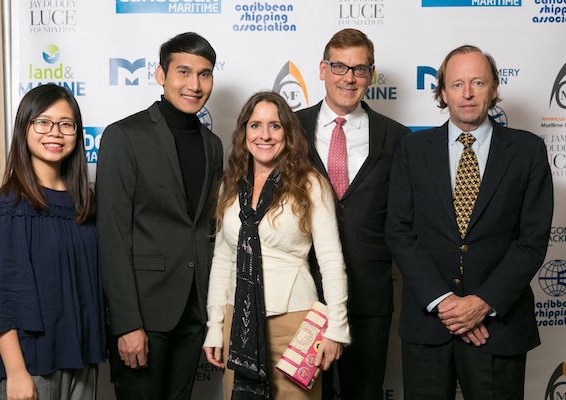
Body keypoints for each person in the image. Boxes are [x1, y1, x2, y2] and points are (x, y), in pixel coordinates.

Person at [385, 45, 553, 400]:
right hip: (428, 326)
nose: (468, 92)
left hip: (497, 327)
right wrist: (446, 303)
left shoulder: (527, 151)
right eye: (457, 84)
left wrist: (481, 303)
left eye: (478, 82)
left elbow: (532, 240)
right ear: (442, 93)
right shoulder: (412, 151)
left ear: (494, 88)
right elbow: (399, 232)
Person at [95, 32, 223, 400]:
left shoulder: (213, 146)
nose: (194, 85)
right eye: (184, 71)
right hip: (144, 316)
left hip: (193, 312)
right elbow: (113, 235)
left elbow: (206, 227)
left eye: (205, 74)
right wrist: (127, 325)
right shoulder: (124, 136)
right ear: (160, 75)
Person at [202, 91, 351, 400]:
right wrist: (215, 325)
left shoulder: (310, 183)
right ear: (244, 132)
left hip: (294, 322)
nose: (265, 135)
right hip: (238, 321)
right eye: (255, 125)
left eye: (275, 126)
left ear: (288, 133)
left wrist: (337, 328)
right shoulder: (230, 185)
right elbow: (223, 260)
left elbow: (331, 260)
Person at [0, 83, 105, 400]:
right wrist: (16, 372)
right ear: (24, 129)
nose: (54, 133)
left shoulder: (84, 204)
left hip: (81, 358)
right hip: (31, 363)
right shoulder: (10, 206)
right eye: (42, 122)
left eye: (65, 124)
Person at [296, 28, 410, 399]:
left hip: (369, 296)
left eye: (360, 69)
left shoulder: (398, 137)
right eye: (340, 67)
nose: (349, 77)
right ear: (322, 69)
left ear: (371, 76)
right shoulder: (290, 129)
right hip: (303, 294)